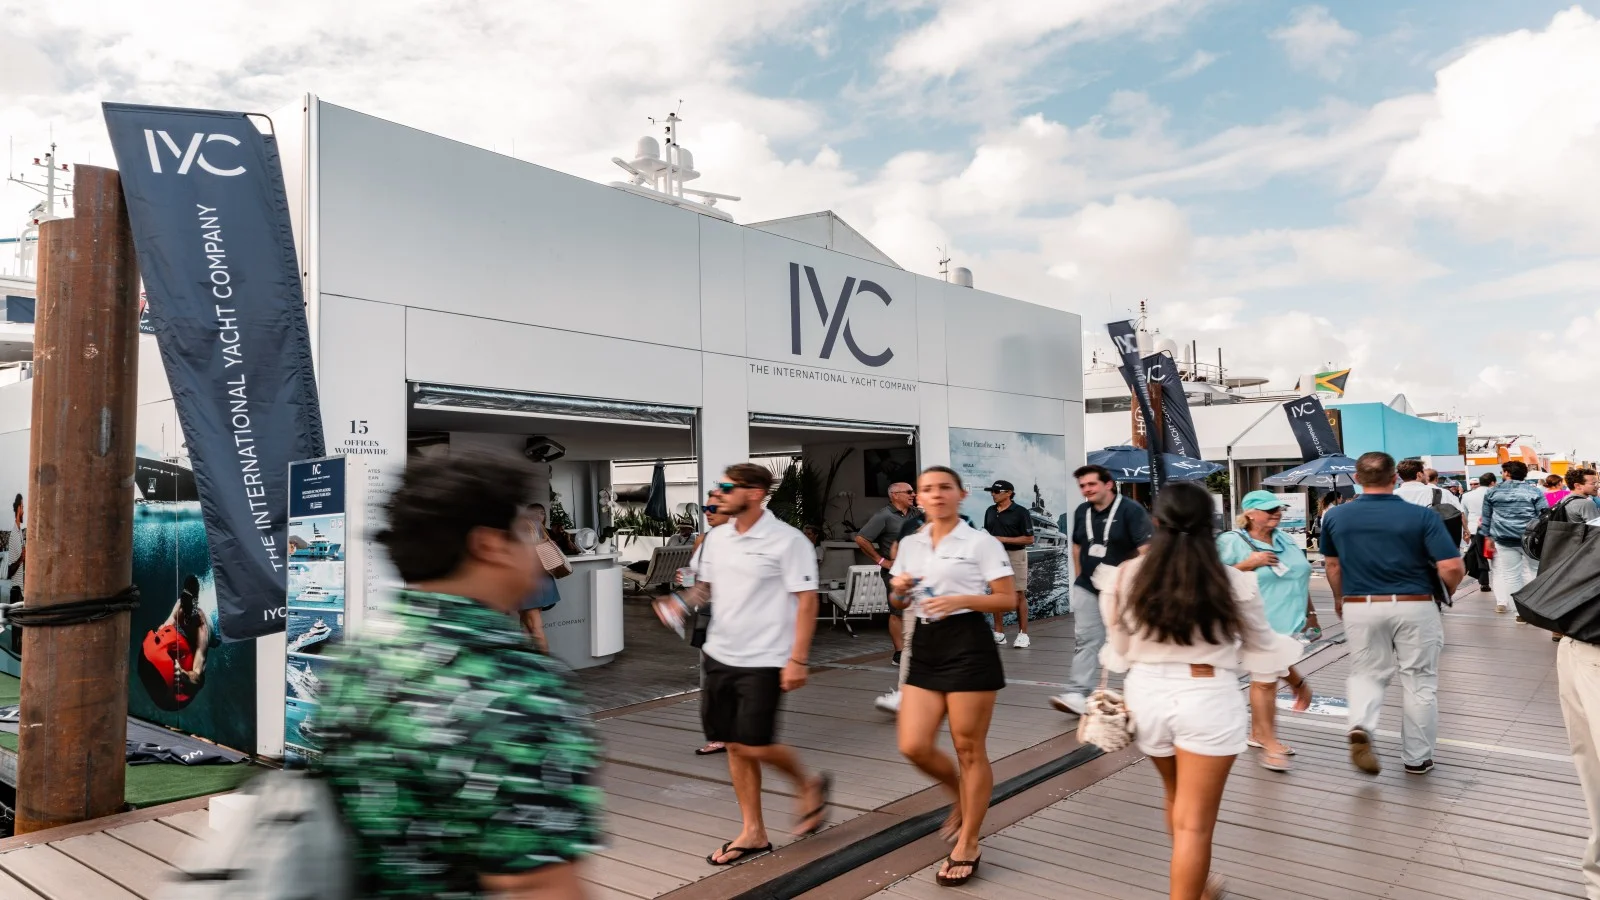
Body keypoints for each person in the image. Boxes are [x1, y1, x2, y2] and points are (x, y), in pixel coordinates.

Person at [314, 451, 602, 900]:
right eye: (522, 534)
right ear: (488, 545)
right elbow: (540, 886)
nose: (532, 549)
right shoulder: (516, 686)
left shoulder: (357, 658)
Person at [1098, 481, 1301, 900]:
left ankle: (1199, 884)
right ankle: (1194, 886)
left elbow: (1118, 646)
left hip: (1146, 695)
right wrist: (1297, 680)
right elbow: (1263, 646)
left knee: (1175, 795)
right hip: (1207, 695)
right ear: (1211, 524)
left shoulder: (1125, 576)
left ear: (1156, 523)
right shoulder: (1230, 579)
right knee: (1195, 825)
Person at [656, 463, 831, 866]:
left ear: (754, 493)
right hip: (719, 654)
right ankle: (753, 832)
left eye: (726, 487)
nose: (718, 494)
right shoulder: (716, 538)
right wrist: (681, 603)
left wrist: (798, 659)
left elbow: (807, 600)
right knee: (733, 743)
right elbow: (706, 587)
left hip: (766, 657)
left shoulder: (788, 541)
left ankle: (808, 784)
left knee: (755, 742)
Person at [889, 466, 1016, 888]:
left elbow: (1006, 598)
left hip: (968, 643)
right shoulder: (911, 543)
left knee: (968, 747)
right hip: (926, 643)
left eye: (945, 487)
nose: (936, 494)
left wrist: (960, 599)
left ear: (961, 494)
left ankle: (969, 842)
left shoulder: (981, 542)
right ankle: (959, 795)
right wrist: (901, 590)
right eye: (927, 489)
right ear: (919, 498)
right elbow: (898, 599)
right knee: (913, 744)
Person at [1323, 452, 1465, 775]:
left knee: (1368, 673)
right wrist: (1446, 591)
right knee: (1419, 681)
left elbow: (1332, 565)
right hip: (1415, 603)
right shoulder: (1421, 516)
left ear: (1358, 479)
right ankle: (1417, 758)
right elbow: (1452, 566)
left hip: (1360, 604)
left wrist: (1339, 598)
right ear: (1394, 478)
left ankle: (1361, 724)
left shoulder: (1336, 516)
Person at [1216, 492, 1316, 772]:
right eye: (1269, 509)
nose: (1277, 513)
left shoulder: (1284, 539)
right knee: (1264, 681)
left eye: (1278, 509)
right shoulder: (1231, 541)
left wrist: (1311, 614)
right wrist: (1248, 564)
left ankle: (1292, 693)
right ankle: (1268, 742)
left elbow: (1298, 576)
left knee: (1271, 669)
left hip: (1288, 620)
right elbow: (1209, 578)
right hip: (1253, 620)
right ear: (1249, 513)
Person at [1051, 465, 1152, 717]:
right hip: (1088, 586)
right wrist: (1079, 577)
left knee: (1131, 638)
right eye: (1082, 486)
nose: (1086, 490)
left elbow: (1146, 551)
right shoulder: (1082, 511)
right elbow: (1077, 546)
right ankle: (1077, 693)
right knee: (1086, 639)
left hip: (1122, 589)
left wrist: (1139, 585)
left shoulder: (1131, 510)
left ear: (1108, 484)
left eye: (1091, 484)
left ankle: (1140, 693)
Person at [687, 491, 733, 756]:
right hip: (709, 611)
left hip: (736, 616)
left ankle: (736, 733)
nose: (708, 513)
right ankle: (719, 736)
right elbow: (699, 578)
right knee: (713, 675)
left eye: (713, 508)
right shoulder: (704, 540)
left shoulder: (746, 540)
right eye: (706, 508)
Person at [876, 501, 928, 715]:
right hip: (916, 599)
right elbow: (897, 558)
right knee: (909, 645)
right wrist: (900, 588)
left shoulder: (965, 531)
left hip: (950, 606)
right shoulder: (910, 527)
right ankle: (904, 694)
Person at [857, 483, 917, 667]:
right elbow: (861, 538)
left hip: (917, 571)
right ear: (895, 495)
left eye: (913, 491)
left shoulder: (916, 513)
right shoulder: (884, 516)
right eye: (909, 492)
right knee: (898, 612)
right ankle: (899, 653)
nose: (913, 494)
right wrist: (881, 560)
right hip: (896, 573)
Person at [1481, 460, 1549, 615]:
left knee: (1511, 575)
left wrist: (1488, 537)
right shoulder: (1534, 491)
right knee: (1535, 571)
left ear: (1507, 473)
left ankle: (1519, 612)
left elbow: (1486, 516)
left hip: (1504, 539)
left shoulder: (1493, 491)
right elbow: (1544, 515)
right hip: (1530, 539)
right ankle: (1535, 607)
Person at [981, 481, 1035, 648]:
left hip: (1015, 555)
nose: (993, 494)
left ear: (1009, 493)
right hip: (994, 556)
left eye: (997, 491)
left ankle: (1023, 634)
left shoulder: (1021, 512)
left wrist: (1001, 539)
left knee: (1018, 593)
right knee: (996, 592)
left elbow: (1029, 539)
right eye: (992, 491)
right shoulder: (990, 511)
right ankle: (999, 633)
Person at [517, 502, 562, 651]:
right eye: (535, 512)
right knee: (526, 624)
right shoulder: (532, 529)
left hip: (532, 583)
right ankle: (528, 658)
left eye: (542, 513)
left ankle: (543, 663)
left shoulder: (541, 531)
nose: (538, 516)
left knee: (534, 628)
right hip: (535, 582)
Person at [1396, 459, 1464, 548]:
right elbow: (1459, 513)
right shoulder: (1441, 492)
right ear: (1419, 474)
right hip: (1432, 545)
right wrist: (1465, 531)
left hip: (1402, 546)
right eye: (1423, 473)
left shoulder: (1392, 495)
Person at [1461, 473, 1496, 592]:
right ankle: (1493, 579)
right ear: (1492, 482)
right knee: (1496, 555)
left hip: (1474, 528)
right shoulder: (1494, 493)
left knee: (1480, 556)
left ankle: (1484, 582)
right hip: (1493, 528)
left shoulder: (1467, 496)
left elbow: (1464, 514)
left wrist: (1465, 530)